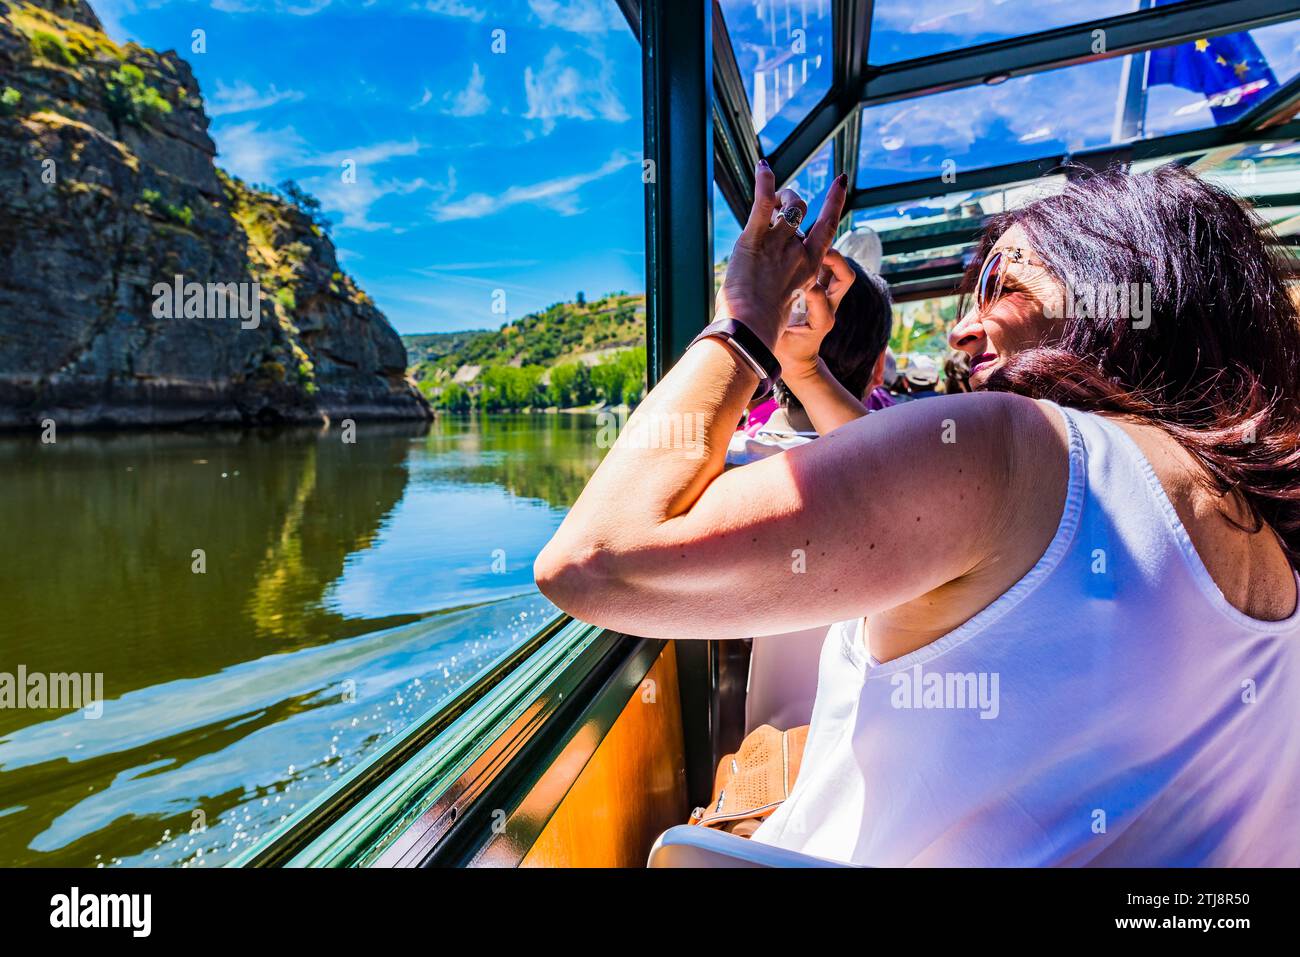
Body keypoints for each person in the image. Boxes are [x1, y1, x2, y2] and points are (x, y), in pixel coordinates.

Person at [535, 161, 1300, 866]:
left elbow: (595, 558)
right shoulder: (1259, 534)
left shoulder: (1013, 445)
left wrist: (745, 322)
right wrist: (802, 369)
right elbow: (900, 476)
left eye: (1005, 282)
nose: (965, 326)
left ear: (1124, 285)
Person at [727, 251, 891, 466]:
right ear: (879, 367)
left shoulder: (717, 461)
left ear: (772, 347)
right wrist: (805, 369)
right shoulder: (905, 460)